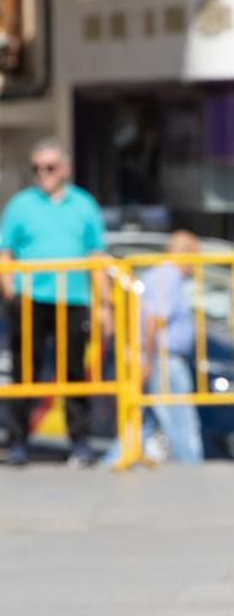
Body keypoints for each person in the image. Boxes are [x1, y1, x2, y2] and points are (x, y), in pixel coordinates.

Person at [1, 137, 107, 468]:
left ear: (65, 169)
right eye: (36, 168)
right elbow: (5, 250)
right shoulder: (21, 204)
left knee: (74, 372)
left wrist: (104, 304)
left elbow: (96, 254)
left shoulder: (84, 204)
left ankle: (79, 443)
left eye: (49, 167)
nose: (42, 174)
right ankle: (18, 442)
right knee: (25, 371)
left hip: (73, 298)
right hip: (31, 298)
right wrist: (9, 289)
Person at [124, 231, 205, 465]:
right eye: (196, 255)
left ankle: (115, 460)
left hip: (159, 358)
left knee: (146, 420)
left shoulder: (161, 275)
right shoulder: (168, 276)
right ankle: (193, 468)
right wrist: (148, 359)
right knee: (180, 421)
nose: (198, 262)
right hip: (164, 359)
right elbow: (153, 320)